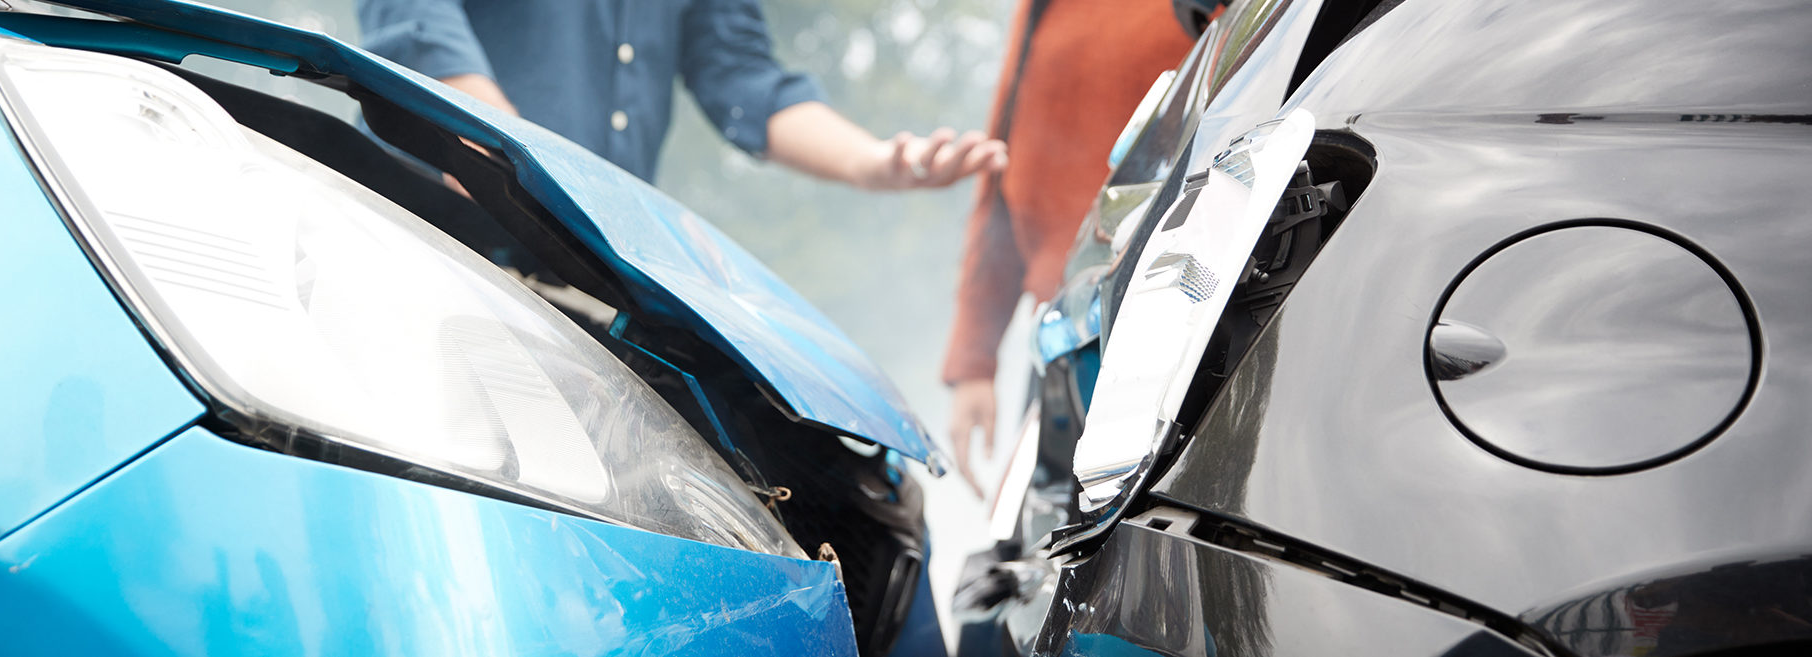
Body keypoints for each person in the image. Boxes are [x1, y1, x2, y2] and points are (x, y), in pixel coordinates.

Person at [942, 0, 1202, 492]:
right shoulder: (1043, 9)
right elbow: (1002, 178)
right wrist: (974, 362)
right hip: (1068, 347)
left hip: (1186, 329)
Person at [356, 0, 1005, 190]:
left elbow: (741, 74)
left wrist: (872, 161)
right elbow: (418, 22)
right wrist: (503, 158)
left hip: (589, 278)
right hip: (431, 241)